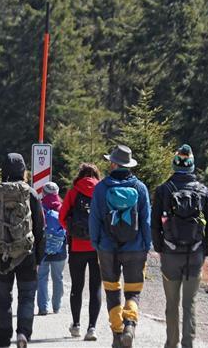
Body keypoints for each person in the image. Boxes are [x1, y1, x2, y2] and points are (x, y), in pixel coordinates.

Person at [152, 144, 208, 348]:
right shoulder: (204, 191)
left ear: (174, 165)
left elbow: (154, 225)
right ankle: (188, 343)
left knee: (172, 304)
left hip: (170, 254)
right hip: (195, 254)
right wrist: (204, 250)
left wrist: (160, 248)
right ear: (191, 166)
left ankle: (171, 343)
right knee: (190, 303)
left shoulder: (163, 190)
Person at [0, 153, 45, 348]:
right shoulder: (30, 193)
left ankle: (3, 338)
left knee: (2, 296)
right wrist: (39, 258)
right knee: (26, 296)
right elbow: (40, 228)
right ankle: (23, 333)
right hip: (26, 253)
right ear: (23, 170)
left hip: (0, 253)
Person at [89, 145, 151, 348]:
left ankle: (117, 334)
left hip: (107, 248)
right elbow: (145, 221)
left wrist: (96, 242)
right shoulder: (140, 188)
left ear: (114, 163)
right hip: (135, 248)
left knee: (112, 290)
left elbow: (95, 219)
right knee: (133, 292)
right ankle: (130, 326)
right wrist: (146, 245)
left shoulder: (101, 188)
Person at [59, 163, 102, 341]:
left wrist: (71, 232)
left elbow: (62, 217)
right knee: (95, 287)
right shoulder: (102, 191)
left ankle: (76, 325)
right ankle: (91, 328)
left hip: (77, 246)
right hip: (98, 247)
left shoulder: (73, 192)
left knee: (77, 287)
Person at [37, 181, 67, 317]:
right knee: (58, 278)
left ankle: (43, 307)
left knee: (42, 278)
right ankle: (56, 306)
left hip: (42, 248)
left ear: (44, 192)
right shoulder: (62, 207)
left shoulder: (39, 206)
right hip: (59, 249)